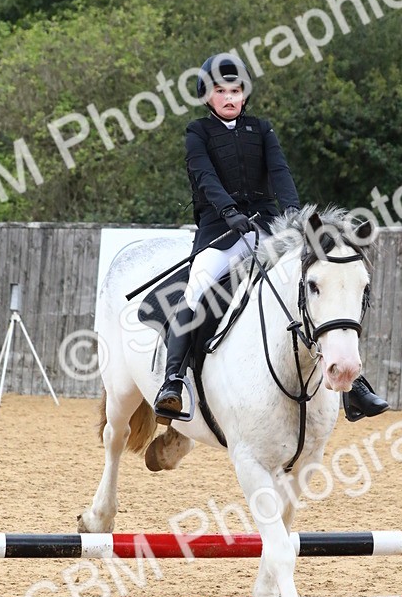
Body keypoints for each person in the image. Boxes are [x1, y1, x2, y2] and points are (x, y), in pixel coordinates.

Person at [153, 53, 389, 423]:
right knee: (197, 289)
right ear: (206, 97)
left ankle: (353, 386)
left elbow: (280, 173)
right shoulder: (197, 132)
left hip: (268, 229)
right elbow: (204, 178)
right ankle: (173, 382)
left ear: (245, 95)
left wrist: (294, 217)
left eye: (236, 90)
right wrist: (230, 213)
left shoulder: (261, 130)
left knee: (316, 287)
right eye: (220, 91)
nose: (229, 97)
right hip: (220, 232)